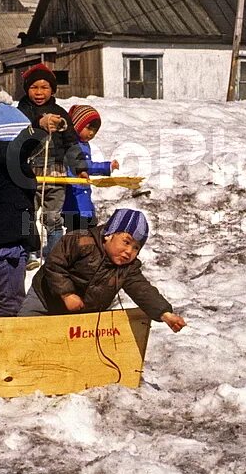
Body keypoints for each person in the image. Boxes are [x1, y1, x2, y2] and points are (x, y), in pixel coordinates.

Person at [19, 208, 186, 333]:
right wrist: (66, 294)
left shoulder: (127, 268)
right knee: (23, 331)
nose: (129, 251)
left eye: (136, 247)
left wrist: (164, 313)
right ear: (109, 235)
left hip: (83, 312)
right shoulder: (81, 241)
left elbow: (142, 290)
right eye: (126, 242)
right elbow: (54, 265)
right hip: (46, 297)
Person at [0, 93, 44, 316]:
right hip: (4, 247)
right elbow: (20, 148)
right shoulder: (0, 156)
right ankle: (3, 346)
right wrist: (37, 128)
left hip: (14, 244)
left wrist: (30, 240)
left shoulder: (9, 163)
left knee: (15, 301)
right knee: (10, 306)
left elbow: (25, 208)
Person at [16, 63, 85, 259]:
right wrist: (39, 123)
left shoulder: (60, 112)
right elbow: (17, 136)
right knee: (27, 213)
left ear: (52, 89)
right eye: (34, 87)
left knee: (52, 216)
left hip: (55, 171)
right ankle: (28, 251)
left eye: (44, 87)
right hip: (27, 171)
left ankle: (55, 254)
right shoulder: (21, 111)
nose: (39, 92)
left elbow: (71, 142)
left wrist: (80, 167)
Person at [61, 104, 119, 233]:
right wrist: (106, 167)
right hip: (74, 198)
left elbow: (86, 166)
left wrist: (106, 167)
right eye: (88, 128)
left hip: (83, 198)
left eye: (95, 130)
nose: (91, 133)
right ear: (77, 125)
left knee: (87, 230)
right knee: (77, 233)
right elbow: (83, 166)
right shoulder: (71, 145)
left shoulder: (84, 144)